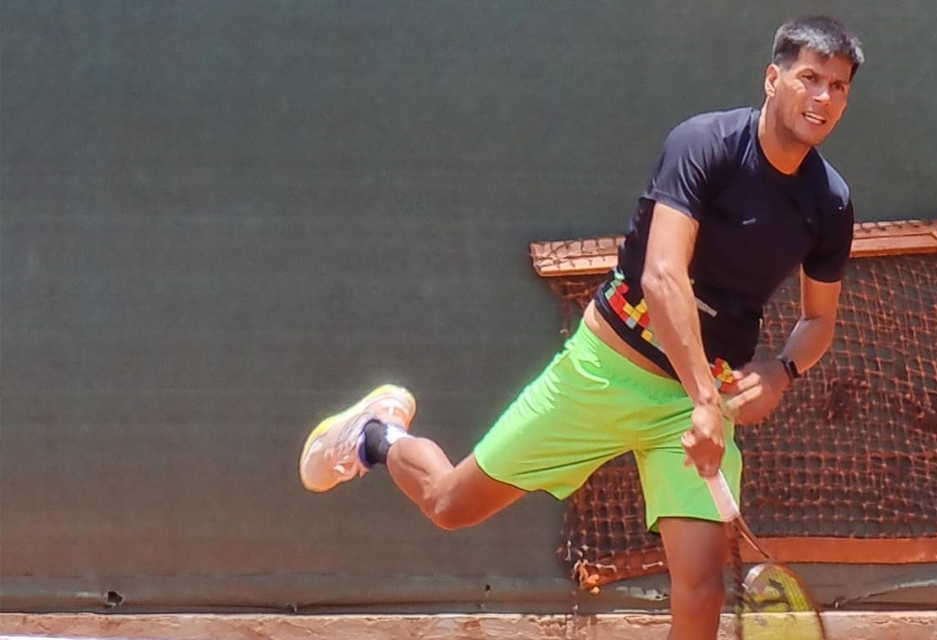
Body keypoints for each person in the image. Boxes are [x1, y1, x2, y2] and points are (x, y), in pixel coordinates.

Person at [298, 16, 863, 640]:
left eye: (838, 87)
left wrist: (781, 370)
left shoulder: (829, 203)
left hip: (695, 401)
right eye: (810, 77)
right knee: (450, 505)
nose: (822, 98)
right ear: (772, 77)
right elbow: (663, 277)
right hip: (606, 369)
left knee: (700, 590)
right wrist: (707, 398)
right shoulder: (704, 144)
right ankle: (376, 436)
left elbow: (817, 321)